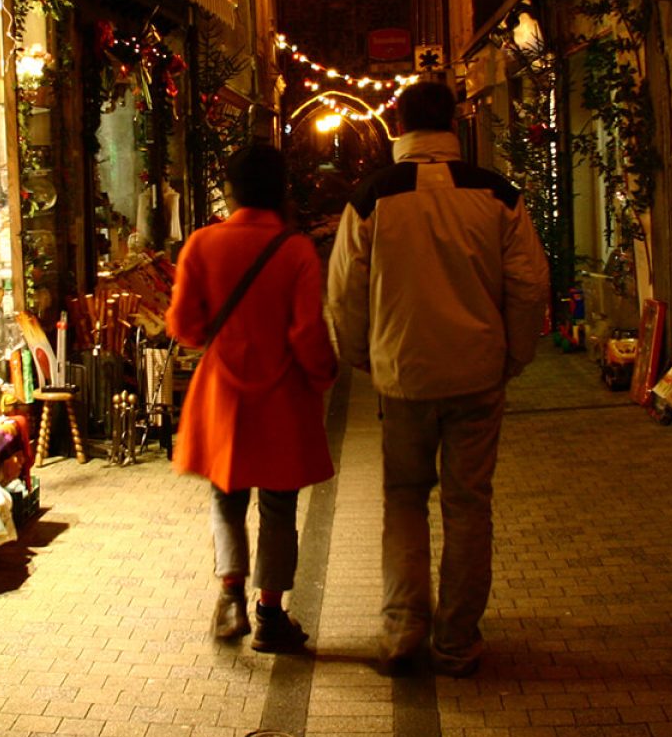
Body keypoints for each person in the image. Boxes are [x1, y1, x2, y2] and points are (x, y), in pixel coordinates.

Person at [326, 80, 550, 677]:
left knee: (403, 499)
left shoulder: (371, 198)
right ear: (453, 121)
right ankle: (456, 640)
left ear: (397, 123)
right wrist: (514, 355)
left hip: (404, 375)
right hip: (478, 372)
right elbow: (529, 285)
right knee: (469, 504)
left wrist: (362, 356)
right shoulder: (499, 195)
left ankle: (403, 631)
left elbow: (344, 290)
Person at [168, 144, 338, 653]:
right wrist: (323, 374)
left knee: (226, 499)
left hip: (223, 397)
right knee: (280, 507)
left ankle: (229, 595)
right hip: (282, 397)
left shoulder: (202, 244)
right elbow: (308, 332)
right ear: (279, 188)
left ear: (231, 189)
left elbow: (184, 326)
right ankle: (270, 613)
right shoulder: (295, 250)